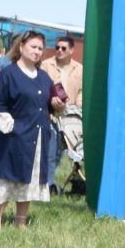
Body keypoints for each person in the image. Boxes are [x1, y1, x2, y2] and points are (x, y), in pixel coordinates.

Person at [0, 29, 60, 230]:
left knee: (31, 177)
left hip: (37, 135)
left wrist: (56, 104)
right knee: (7, 176)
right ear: (21, 47)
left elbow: (50, 105)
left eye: (40, 48)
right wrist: (11, 127)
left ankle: (21, 220)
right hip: (14, 136)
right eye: (33, 47)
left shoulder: (44, 78)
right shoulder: (7, 74)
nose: (37, 51)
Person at [40, 35, 86, 193]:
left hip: (71, 118)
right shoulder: (46, 65)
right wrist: (51, 101)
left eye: (63, 48)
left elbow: (82, 91)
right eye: (57, 47)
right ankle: (48, 184)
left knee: (66, 151)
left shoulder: (80, 69)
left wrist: (78, 105)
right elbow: (41, 87)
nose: (59, 50)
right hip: (51, 115)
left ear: (72, 50)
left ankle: (78, 183)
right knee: (51, 151)